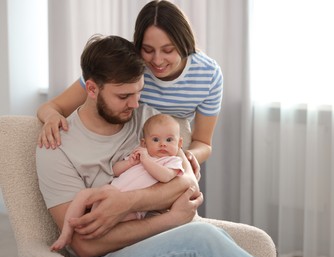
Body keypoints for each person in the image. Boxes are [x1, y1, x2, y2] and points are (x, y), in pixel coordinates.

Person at [36, 34, 255, 257]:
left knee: (211, 238)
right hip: (111, 254)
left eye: (139, 92)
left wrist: (127, 202)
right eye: (124, 96)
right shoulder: (56, 146)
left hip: (165, 240)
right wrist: (171, 218)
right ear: (91, 90)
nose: (134, 103)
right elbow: (84, 246)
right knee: (203, 238)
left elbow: (188, 184)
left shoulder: (146, 119)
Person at [37, 0, 223, 167]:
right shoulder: (130, 66)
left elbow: (204, 143)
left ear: (185, 44)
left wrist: (184, 158)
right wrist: (52, 116)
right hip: (127, 152)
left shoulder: (208, 75)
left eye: (168, 50)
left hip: (171, 155)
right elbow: (52, 106)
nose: (157, 61)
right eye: (148, 50)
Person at [50, 114, 185, 251]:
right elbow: (115, 171)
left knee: (118, 225)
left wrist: (146, 161)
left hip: (133, 209)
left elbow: (165, 176)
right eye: (155, 139)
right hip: (110, 191)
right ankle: (66, 232)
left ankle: (99, 241)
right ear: (144, 143)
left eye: (169, 140)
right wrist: (129, 163)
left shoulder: (172, 161)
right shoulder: (141, 155)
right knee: (83, 195)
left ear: (179, 144)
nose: (163, 144)